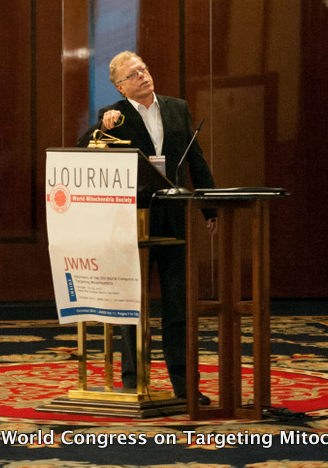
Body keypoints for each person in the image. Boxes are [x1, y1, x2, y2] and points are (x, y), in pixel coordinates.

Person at [78, 51, 217, 404]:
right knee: (132, 308)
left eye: (143, 69)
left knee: (178, 307)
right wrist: (102, 127)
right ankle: (133, 383)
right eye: (133, 74)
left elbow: (195, 159)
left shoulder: (177, 108)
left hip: (175, 218)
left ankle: (185, 386)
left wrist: (210, 209)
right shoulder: (114, 115)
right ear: (121, 87)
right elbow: (83, 147)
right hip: (132, 223)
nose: (142, 75)